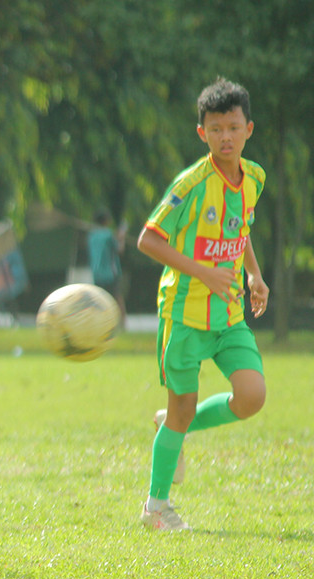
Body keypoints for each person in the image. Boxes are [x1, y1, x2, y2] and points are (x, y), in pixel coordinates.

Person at [136, 77, 268, 531]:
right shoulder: (191, 183)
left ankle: (174, 428)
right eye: (215, 129)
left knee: (251, 397)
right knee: (181, 409)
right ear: (202, 133)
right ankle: (156, 508)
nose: (225, 137)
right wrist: (204, 273)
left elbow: (240, 228)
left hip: (228, 314)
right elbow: (148, 240)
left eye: (233, 127)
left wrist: (253, 273)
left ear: (248, 129)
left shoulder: (254, 178)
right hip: (185, 315)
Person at [87, 209, 127, 325]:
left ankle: (99, 323)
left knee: (99, 299)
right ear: (106, 221)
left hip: (96, 272)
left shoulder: (91, 236)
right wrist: (122, 237)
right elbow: (120, 250)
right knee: (117, 297)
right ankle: (122, 323)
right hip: (110, 273)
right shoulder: (108, 235)